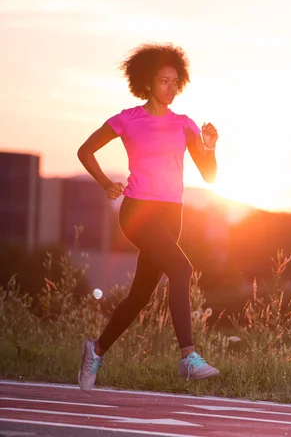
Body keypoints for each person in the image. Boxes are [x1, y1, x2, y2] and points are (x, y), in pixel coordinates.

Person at [76, 43, 220, 391]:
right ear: (147, 82)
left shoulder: (185, 125)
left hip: (173, 215)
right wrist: (105, 183)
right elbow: (85, 150)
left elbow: (209, 175)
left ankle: (95, 350)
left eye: (175, 81)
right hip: (138, 212)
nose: (170, 87)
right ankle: (188, 356)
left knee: (140, 295)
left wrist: (210, 145)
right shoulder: (128, 119)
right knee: (182, 269)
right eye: (163, 81)